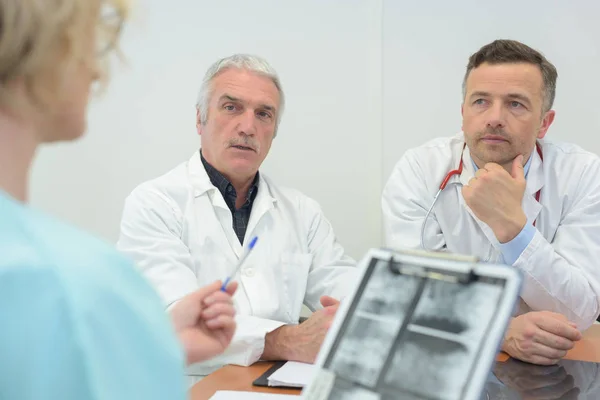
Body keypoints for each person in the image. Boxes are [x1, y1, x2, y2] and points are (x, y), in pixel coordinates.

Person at [0, 1, 237, 398]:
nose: (95, 71)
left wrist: (154, 345)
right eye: (87, 48)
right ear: (37, 51)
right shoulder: (68, 283)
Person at [116, 53, 357, 375]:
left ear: (274, 131)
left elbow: (347, 290)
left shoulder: (302, 212)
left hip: (275, 385)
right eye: (231, 108)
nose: (247, 127)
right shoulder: (155, 203)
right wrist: (288, 340)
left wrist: (358, 313)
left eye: (264, 114)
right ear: (200, 119)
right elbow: (175, 320)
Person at [382, 39, 600, 366]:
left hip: (553, 365)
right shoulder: (420, 169)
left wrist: (513, 228)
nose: (495, 118)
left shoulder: (582, 173)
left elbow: (580, 312)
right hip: (443, 359)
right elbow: (410, 295)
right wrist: (501, 331)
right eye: (481, 101)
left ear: (544, 122)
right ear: (463, 113)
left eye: (516, 104)